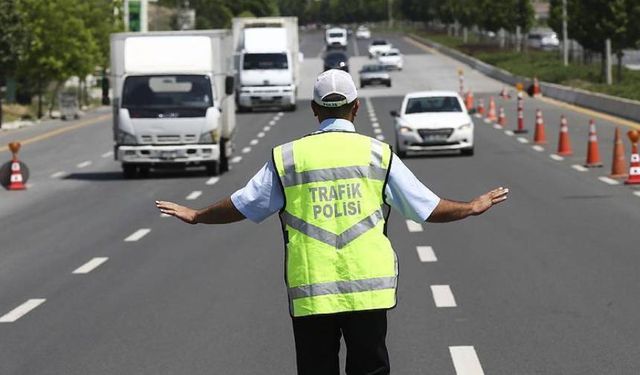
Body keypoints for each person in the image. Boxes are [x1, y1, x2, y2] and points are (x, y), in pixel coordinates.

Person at [156, 69, 509, 375]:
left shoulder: (289, 157)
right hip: (368, 292)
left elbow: (244, 204)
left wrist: (197, 216)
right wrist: (471, 206)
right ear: (356, 108)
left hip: (312, 291)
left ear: (314, 110)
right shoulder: (377, 154)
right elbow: (426, 208)